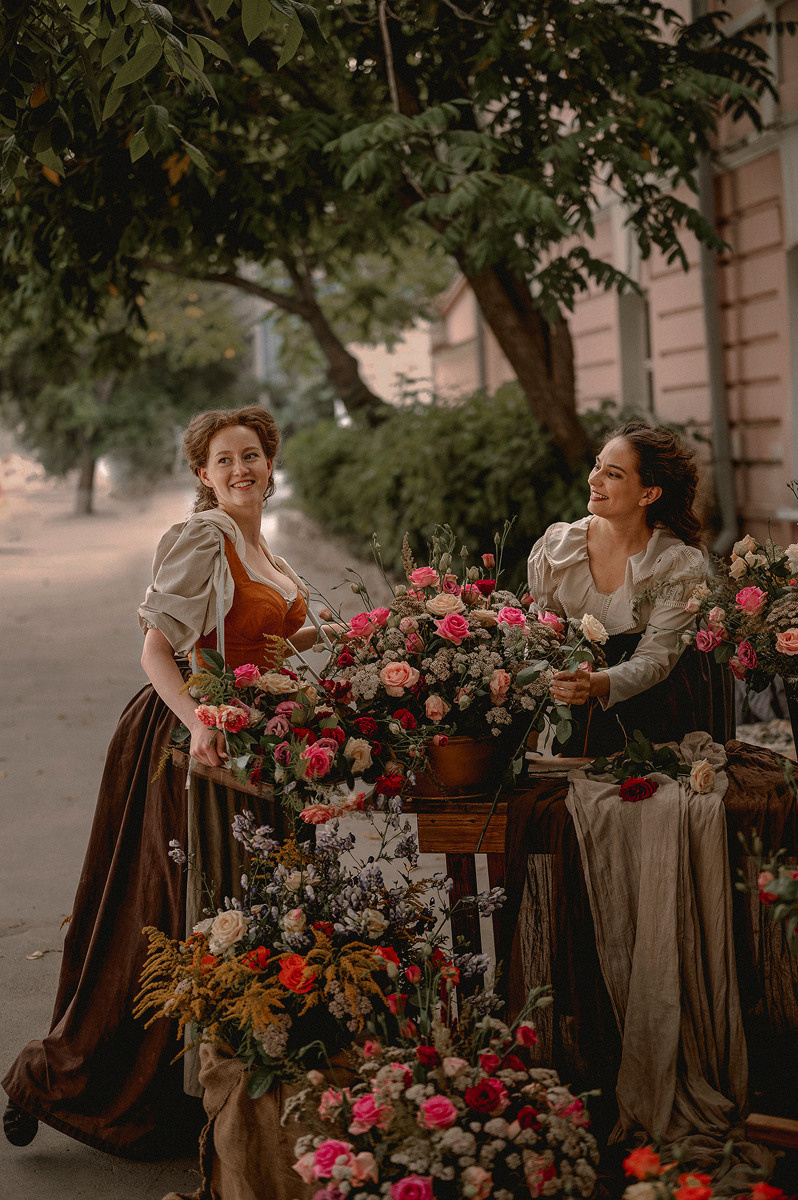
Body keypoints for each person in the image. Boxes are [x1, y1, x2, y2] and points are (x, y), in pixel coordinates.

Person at [2, 406, 331, 1158]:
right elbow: (155, 649)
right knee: (160, 916)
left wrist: (353, 631)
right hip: (188, 740)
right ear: (202, 475)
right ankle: (52, 1079)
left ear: (270, 463)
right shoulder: (203, 537)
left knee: (243, 917)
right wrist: (198, 720)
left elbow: (269, 635)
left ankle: (211, 1092)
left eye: (252, 455)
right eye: (224, 460)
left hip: (258, 743)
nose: (241, 469)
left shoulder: (262, 547)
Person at [528, 419, 732, 755]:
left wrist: (598, 683)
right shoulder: (556, 548)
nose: (594, 479)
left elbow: (655, 659)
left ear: (649, 493)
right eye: (598, 466)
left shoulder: (678, 562)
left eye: (614, 474)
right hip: (574, 712)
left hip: (656, 713)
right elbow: (540, 635)